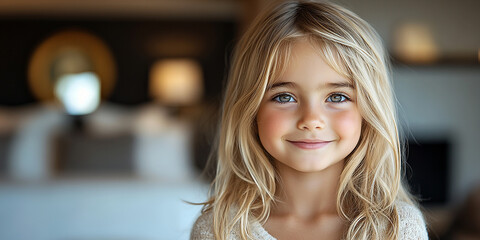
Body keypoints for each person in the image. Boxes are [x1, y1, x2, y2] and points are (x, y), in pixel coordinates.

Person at [191, 0, 428, 239]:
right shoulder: (217, 230)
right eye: (284, 97)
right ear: (251, 109)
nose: (311, 120)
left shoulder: (396, 228)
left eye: (337, 96)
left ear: (369, 111)